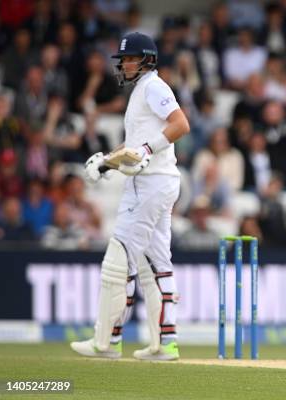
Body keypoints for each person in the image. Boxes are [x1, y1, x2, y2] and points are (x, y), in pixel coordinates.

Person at [70, 32, 190, 361]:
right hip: (157, 181)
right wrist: (107, 162)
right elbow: (135, 145)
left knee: (119, 259)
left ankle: (107, 341)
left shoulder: (153, 86)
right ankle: (165, 343)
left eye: (128, 59)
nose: (123, 64)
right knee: (156, 265)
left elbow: (181, 124)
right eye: (122, 60)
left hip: (150, 184)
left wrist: (149, 149)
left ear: (146, 60)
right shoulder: (142, 90)